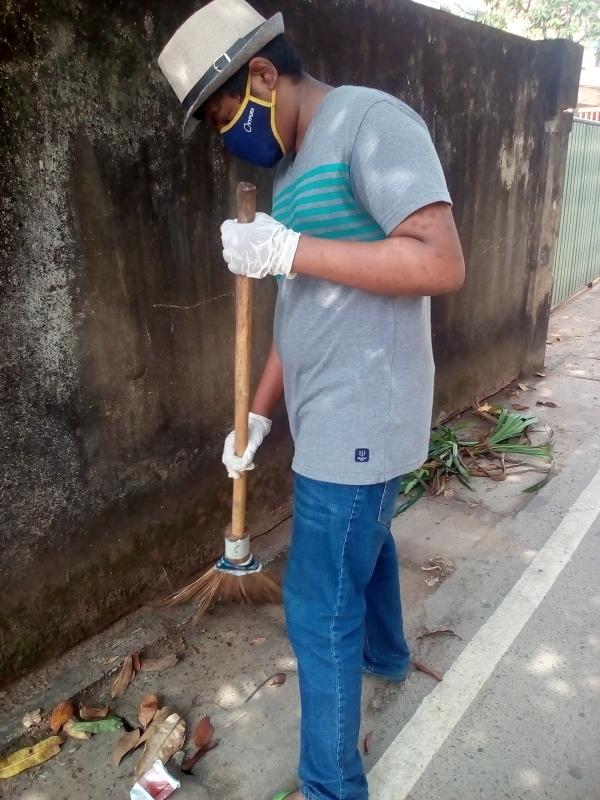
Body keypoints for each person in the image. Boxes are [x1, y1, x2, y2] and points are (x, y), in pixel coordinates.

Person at [158, 1, 465, 798]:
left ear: (263, 74)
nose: (229, 141)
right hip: (326, 415)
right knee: (367, 541)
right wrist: (258, 413)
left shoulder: (372, 121)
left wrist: (291, 248)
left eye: (226, 119)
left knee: (317, 603)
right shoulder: (288, 180)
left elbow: (439, 262)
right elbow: (299, 313)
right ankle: (389, 655)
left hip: (367, 413)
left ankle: (331, 786)